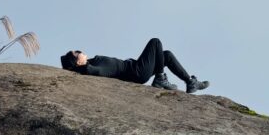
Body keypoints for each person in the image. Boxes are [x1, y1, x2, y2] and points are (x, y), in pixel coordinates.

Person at [60, 37, 209, 94]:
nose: (80, 51)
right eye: (77, 52)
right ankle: (160, 78)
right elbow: (96, 72)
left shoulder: (92, 61)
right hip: (136, 72)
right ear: (78, 62)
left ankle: (190, 82)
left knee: (167, 55)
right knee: (155, 42)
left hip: (136, 67)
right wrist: (84, 68)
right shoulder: (91, 67)